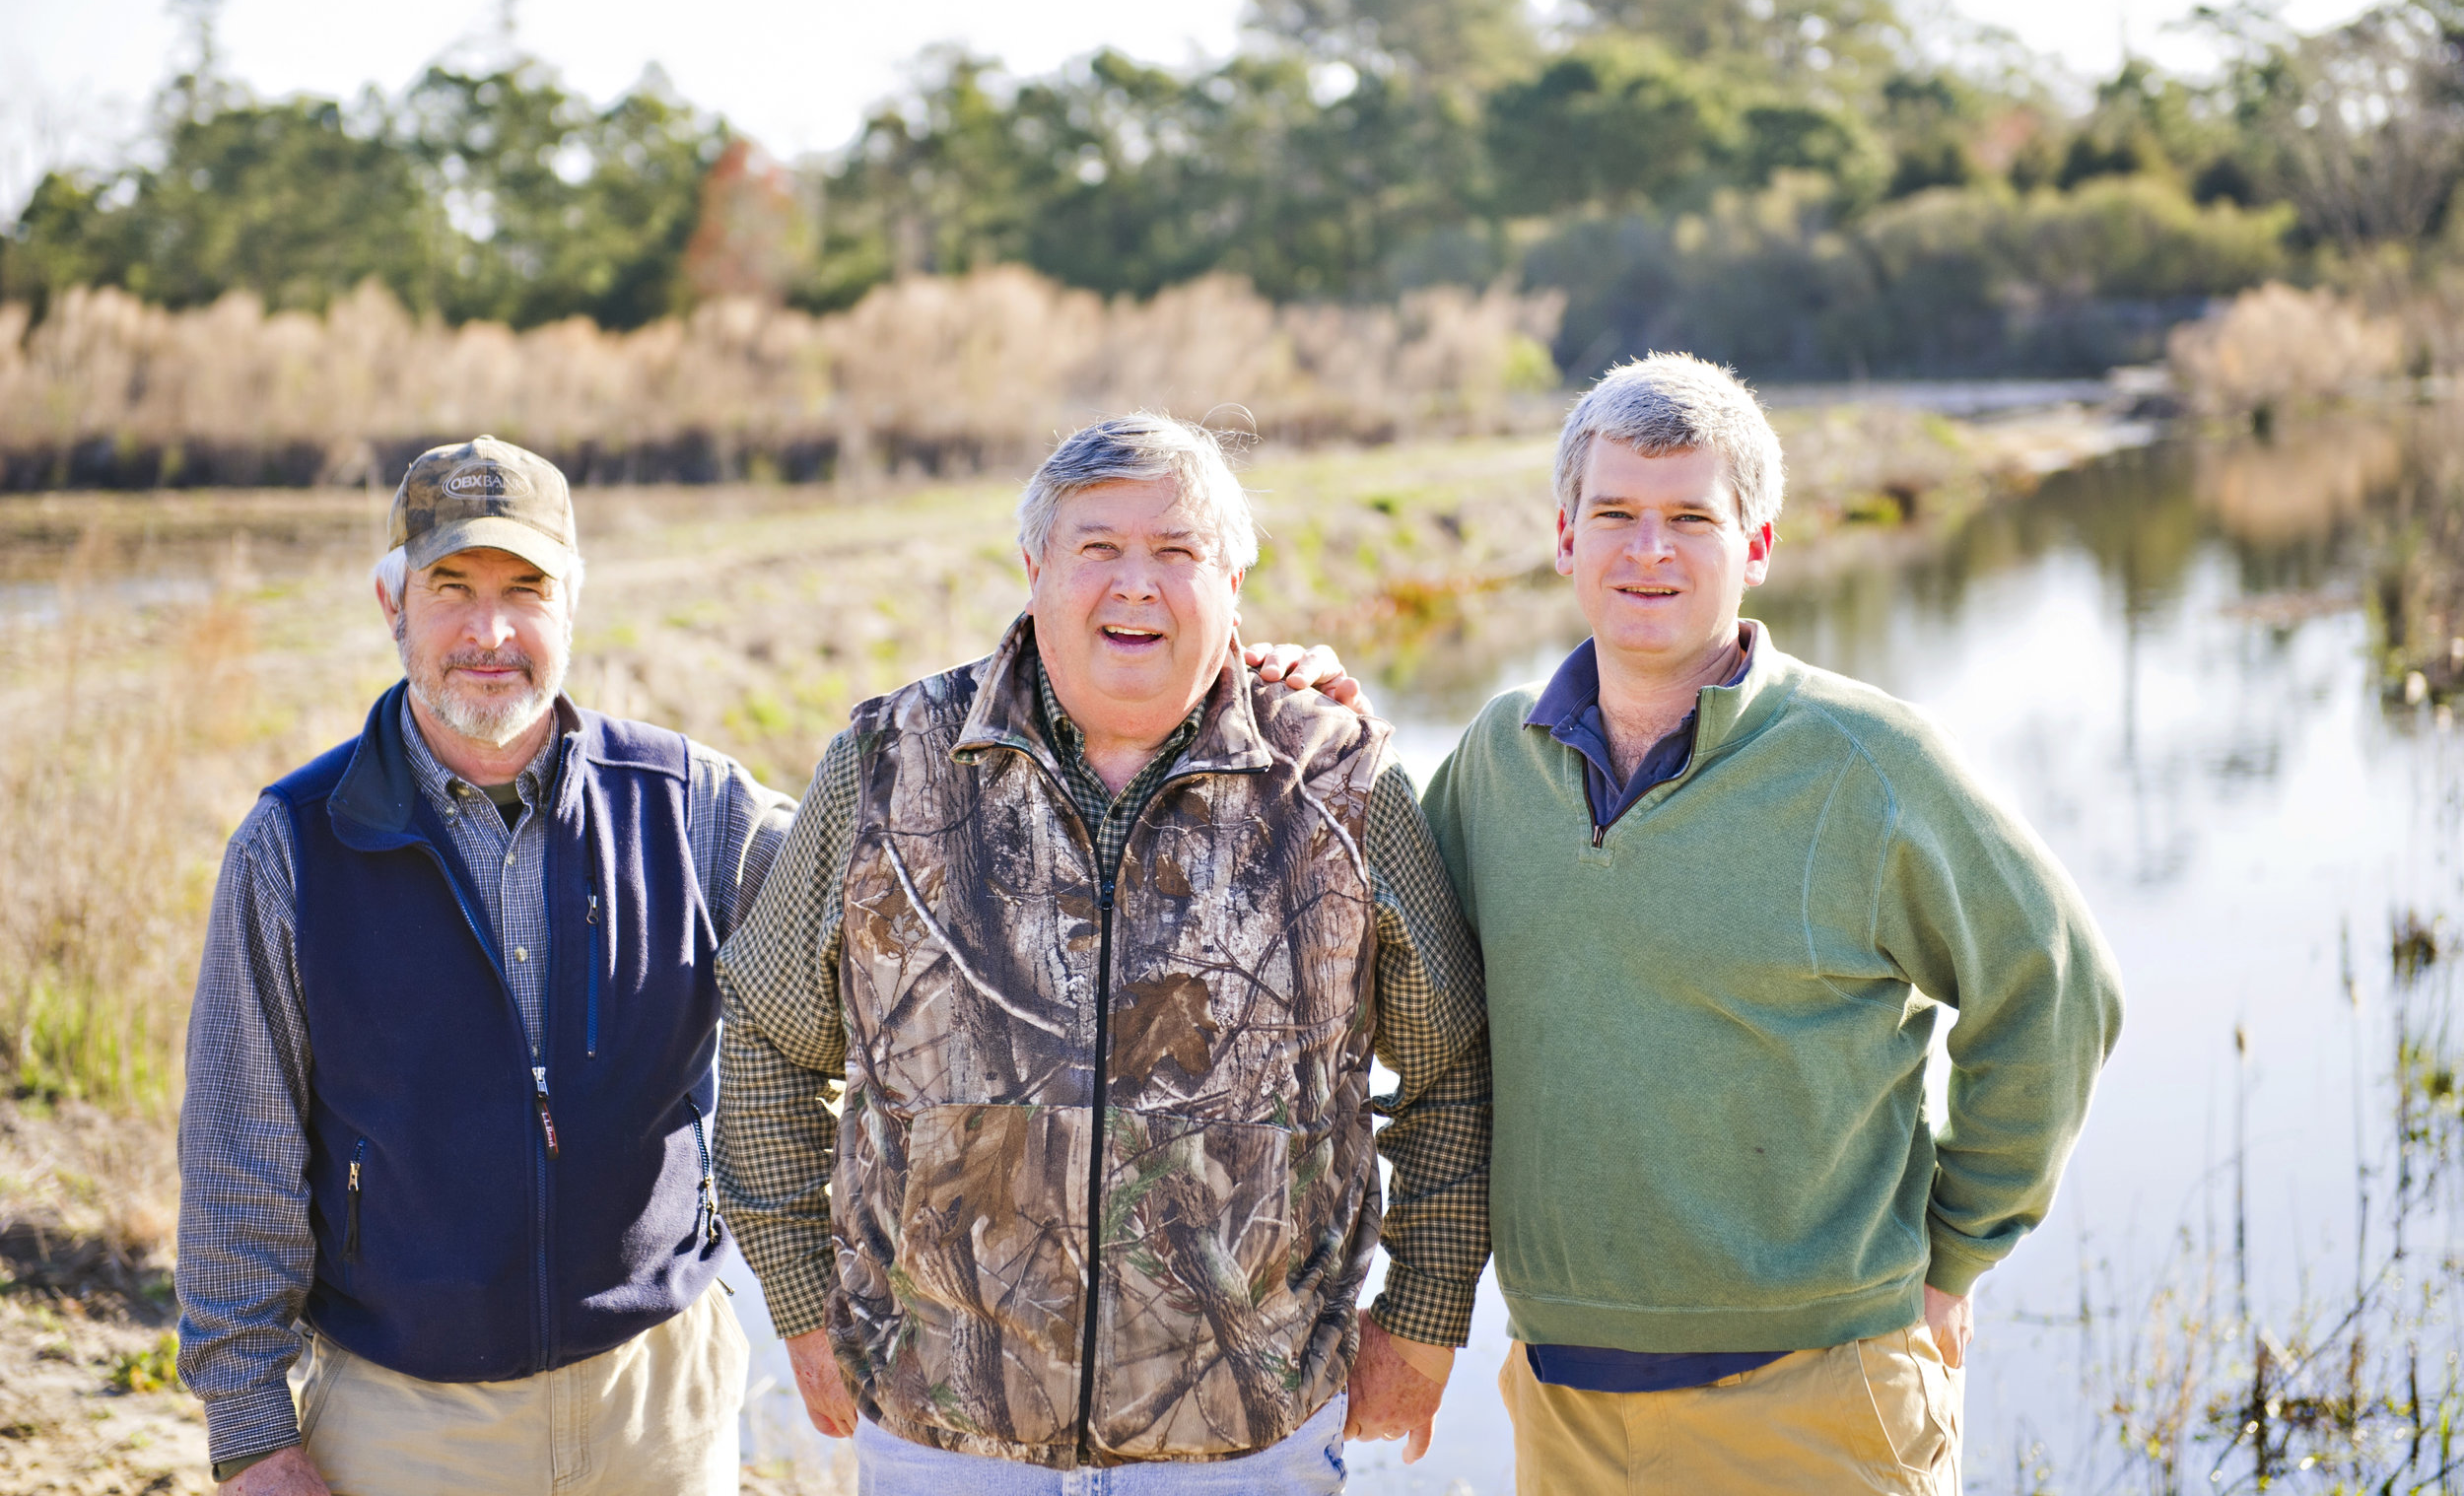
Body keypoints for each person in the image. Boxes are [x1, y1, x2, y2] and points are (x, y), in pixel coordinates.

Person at [715, 412, 1491, 1489]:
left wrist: (1424, 1313)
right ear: (1034, 567)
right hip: (946, 1443)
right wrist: (804, 1308)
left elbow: (1454, 1065)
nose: (1137, 585)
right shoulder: (888, 765)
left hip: (1245, 1442)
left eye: (1177, 552)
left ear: (1233, 577)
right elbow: (763, 1028)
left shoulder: (1339, 781)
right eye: (1098, 548)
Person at [1420, 355, 2126, 1494]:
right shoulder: (1493, 765)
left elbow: (2053, 984)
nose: (1648, 550)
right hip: (1566, 1402)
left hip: (1822, 1394)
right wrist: (1296, 706)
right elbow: (1393, 988)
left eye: (1690, 518)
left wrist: (1959, 1248)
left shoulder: (1868, 763)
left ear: (1754, 545)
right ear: (1563, 537)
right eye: (1616, 514)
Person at [176, 437, 797, 1494]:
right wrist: (248, 1427)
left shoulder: (694, 804)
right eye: (452, 587)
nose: (489, 631)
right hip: (406, 1420)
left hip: (660, 1400)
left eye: (526, 588)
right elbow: (241, 1145)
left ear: (571, 606)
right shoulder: (291, 845)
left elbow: (863, 953)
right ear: (393, 604)